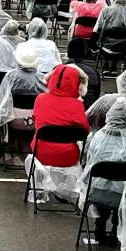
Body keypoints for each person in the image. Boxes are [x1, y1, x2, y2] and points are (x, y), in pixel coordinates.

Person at [79, 95, 126, 244]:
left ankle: (100, 225)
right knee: (121, 187)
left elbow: (88, 165)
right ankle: (117, 225)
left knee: (103, 184)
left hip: (98, 193)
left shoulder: (97, 138)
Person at [29, 62, 89, 203]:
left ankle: (40, 188)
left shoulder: (40, 99)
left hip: (41, 151)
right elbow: (85, 130)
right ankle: (63, 189)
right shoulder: (77, 105)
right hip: (68, 156)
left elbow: (36, 122)